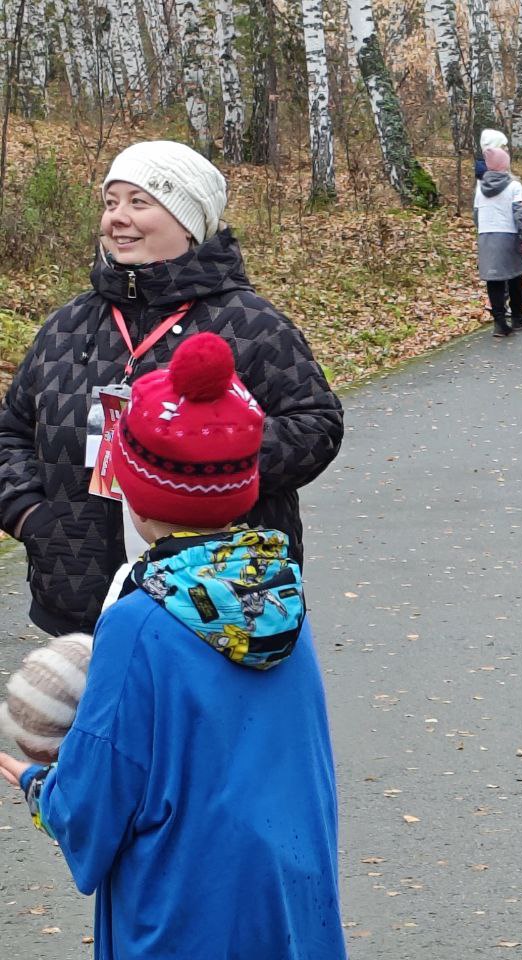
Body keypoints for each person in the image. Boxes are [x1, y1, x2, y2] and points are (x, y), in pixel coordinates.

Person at [0, 332, 346, 959]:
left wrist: (39, 787)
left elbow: (95, 801)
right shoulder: (279, 595)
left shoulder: (139, 623)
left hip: (184, 911)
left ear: (133, 489)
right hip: (291, 896)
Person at [0, 140, 343, 637]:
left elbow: (317, 426)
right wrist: (32, 518)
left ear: (188, 221)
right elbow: (10, 431)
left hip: (221, 606)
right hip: (81, 605)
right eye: (111, 202)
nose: (117, 218)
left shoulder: (251, 324)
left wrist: (210, 460)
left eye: (139, 202)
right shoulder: (68, 325)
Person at [475, 145, 522, 337]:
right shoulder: (514, 186)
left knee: (494, 280)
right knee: (515, 276)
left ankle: (499, 322)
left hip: (485, 235)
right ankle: (517, 315)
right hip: (508, 235)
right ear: (505, 164)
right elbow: (520, 213)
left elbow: (476, 214)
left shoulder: (480, 187)